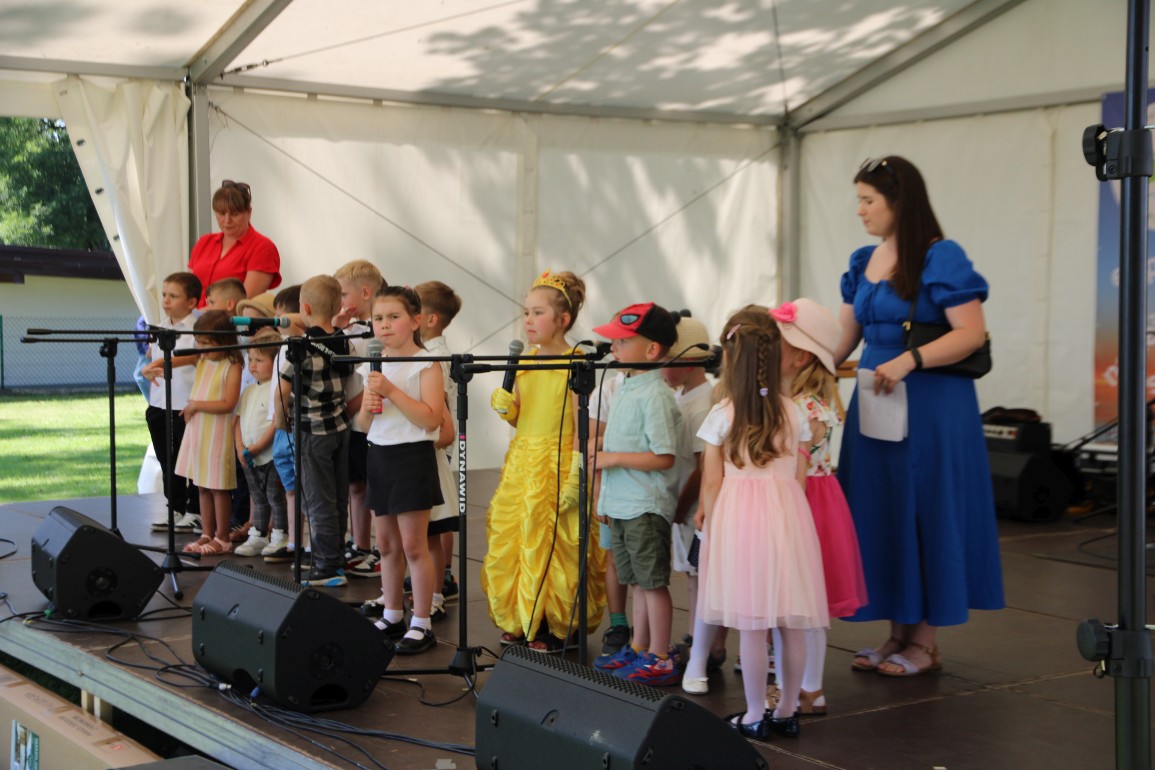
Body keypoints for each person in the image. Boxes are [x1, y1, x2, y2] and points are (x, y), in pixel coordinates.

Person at [835, 156, 1004, 677]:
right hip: (877, 402)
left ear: (898, 203)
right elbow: (841, 340)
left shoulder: (940, 256)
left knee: (926, 506)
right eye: (859, 200)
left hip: (931, 403)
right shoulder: (863, 259)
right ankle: (898, 631)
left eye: (868, 200)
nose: (860, 210)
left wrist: (911, 359)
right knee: (884, 507)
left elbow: (970, 333)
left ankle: (924, 642)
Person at [680, 305, 828, 741]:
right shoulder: (794, 413)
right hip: (787, 520)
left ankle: (753, 714)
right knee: (790, 623)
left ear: (730, 359)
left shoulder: (722, 415)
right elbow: (799, 478)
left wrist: (710, 520)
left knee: (752, 623)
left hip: (740, 523)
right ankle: (787, 711)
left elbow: (712, 481)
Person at [482, 271, 607, 652]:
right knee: (519, 538)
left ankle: (555, 624)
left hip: (558, 461)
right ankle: (524, 618)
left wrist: (576, 475)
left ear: (563, 319)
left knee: (556, 544)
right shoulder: (525, 360)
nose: (529, 320)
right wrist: (508, 409)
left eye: (538, 313)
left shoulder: (576, 362)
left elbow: (581, 424)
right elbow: (522, 414)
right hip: (524, 461)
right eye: (526, 312)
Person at [770, 298, 868, 715]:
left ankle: (809, 688)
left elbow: (795, 461)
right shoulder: (781, 400)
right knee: (784, 603)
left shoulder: (808, 408)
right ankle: (788, 683)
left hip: (808, 502)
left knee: (807, 602)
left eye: (777, 342)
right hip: (787, 497)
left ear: (801, 357)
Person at [589, 302, 683, 685]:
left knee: (652, 583)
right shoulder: (626, 387)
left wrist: (610, 458)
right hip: (623, 503)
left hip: (644, 505)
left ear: (652, 349)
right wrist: (604, 494)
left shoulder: (655, 395)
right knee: (637, 582)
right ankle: (641, 647)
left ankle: (659, 655)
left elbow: (663, 456)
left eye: (623, 341)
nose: (613, 347)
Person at [355, 286, 445, 655]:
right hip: (380, 455)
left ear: (416, 321)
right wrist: (368, 405)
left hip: (412, 457)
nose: (385, 325)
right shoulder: (371, 366)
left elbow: (431, 419)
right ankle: (392, 613)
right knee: (387, 544)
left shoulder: (427, 364)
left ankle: (421, 621)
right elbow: (363, 426)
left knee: (413, 545)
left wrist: (391, 391)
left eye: (394, 317)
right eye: (378, 318)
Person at [276, 275, 358, 586]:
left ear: (305, 308)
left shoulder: (300, 347)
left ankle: (327, 565)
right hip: (340, 427)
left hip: (312, 431)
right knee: (337, 497)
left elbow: (284, 388)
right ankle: (336, 557)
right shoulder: (343, 342)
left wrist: (280, 418)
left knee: (316, 499)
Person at [662, 313, 725, 670]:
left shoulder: (704, 405)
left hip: (695, 507)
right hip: (686, 507)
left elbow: (704, 467)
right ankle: (696, 636)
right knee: (693, 574)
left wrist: (681, 505)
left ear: (687, 363)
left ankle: (710, 644)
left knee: (703, 576)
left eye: (667, 362)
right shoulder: (685, 398)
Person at [174, 310, 243, 555]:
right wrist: (155, 365)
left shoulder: (232, 365)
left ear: (224, 340)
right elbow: (174, 360)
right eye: (198, 342)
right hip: (199, 430)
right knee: (202, 485)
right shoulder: (202, 359)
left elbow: (228, 403)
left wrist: (196, 405)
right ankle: (207, 532)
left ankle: (222, 537)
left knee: (218, 486)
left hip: (217, 431)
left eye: (206, 343)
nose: (201, 348)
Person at [333, 259, 386, 579]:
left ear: (365, 293)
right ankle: (360, 544)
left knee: (374, 486)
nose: (340, 301)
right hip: (351, 421)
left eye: (343, 294)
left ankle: (382, 548)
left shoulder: (380, 331)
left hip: (369, 420)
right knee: (355, 485)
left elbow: (373, 380)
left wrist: (350, 406)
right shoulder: (348, 330)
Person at [140, 272, 203, 532]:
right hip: (159, 404)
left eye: (173, 296)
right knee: (168, 460)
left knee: (192, 461)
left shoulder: (198, 328)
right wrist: (150, 367)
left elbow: (195, 356)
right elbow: (153, 363)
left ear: (192, 302)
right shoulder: (160, 328)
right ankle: (174, 506)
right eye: (164, 295)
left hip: (185, 405)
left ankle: (196, 510)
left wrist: (158, 362)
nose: (166, 300)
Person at [415, 280, 464, 602]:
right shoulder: (428, 352)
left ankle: (443, 574)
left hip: (438, 442)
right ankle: (435, 573)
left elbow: (439, 402)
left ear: (431, 319)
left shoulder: (437, 356)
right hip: (433, 440)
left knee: (439, 516)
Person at [232, 328, 289, 558]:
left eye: (259, 360)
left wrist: (257, 448)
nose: (252, 365)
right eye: (250, 360)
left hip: (270, 455)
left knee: (275, 497)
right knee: (257, 498)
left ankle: (280, 535)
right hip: (249, 456)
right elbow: (238, 420)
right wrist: (240, 447)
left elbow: (276, 423)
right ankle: (258, 533)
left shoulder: (276, 389)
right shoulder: (247, 391)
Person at [263, 285, 309, 563]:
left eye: (281, 315)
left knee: (306, 487)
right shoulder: (282, 347)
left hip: (296, 426)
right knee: (290, 487)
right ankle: (294, 542)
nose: (277, 321)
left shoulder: (302, 346)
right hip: (281, 427)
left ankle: (311, 545)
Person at [188, 180, 281, 306]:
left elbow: (244, 301)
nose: (227, 220)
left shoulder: (262, 247)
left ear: (249, 213)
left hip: (229, 318)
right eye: (222, 213)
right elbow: (187, 288)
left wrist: (197, 314)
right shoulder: (204, 242)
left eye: (235, 214)